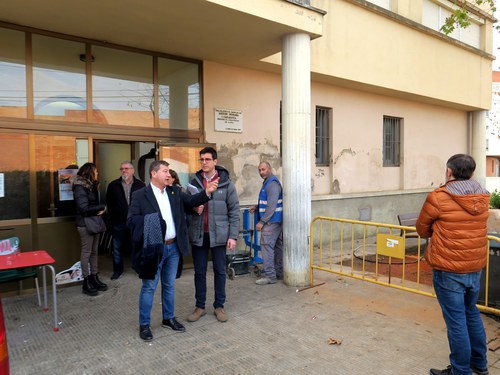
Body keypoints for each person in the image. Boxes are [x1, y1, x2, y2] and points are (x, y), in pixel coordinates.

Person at [127, 160, 219, 341]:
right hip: (154, 248)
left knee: (169, 286)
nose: (169, 175)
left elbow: (192, 201)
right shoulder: (140, 195)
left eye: (169, 171)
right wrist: (152, 222)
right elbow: (131, 221)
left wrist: (207, 192)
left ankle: (168, 318)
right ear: (154, 174)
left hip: (173, 247)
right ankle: (144, 324)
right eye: (165, 171)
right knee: (149, 287)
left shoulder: (175, 191)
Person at [416, 154, 490, 375]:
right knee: (471, 313)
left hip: (448, 270)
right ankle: (480, 364)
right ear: (472, 173)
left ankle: (460, 371)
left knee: (457, 321)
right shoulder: (483, 196)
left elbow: (422, 229)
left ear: (449, 171)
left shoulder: (439, 196)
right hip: (474, 266)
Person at [187, 147, 240, 323]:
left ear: (215, 162)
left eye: (207, 159)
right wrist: (194, 208)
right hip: (199, 234)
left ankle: (219, 306)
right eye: (201, 159)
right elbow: (186, 206)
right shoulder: (194, 183)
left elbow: (234, 211)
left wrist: (232, 236)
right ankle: (199, 306)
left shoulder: (226, 184)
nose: (204, 162)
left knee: (219, 271)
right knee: (199, 272)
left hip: (219, 235)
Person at [72, 162, 108, 296]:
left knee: (94, 252)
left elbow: (92, 203)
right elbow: (83, 208)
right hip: (85, 224)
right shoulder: (79, 187)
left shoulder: (91, 186)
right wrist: (101, 207)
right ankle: (86, 281)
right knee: (86, 252)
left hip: (94, 222)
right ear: (90, 172)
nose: (97, 173)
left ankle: (94, 276)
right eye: (96, 171)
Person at [106, 161, 145, 280]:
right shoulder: (113, 185)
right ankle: (118, 270)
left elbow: (145, 204)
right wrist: (110, 221)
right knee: (117, 248)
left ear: (133, 171)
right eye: (122, 168)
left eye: (127, 168)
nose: (124, 171)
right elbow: (109, 204)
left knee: (137, 245)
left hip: (135, 222)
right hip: (119, 222)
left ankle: (137, 267)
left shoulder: (141, 185)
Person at [249, 161, 283, 285]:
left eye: (263, 169)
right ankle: (278, 272)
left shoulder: (272, 184)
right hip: (275, 220)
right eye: (259, 170)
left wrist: (261, 222)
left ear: (269, 169)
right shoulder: (268, 183)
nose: (261, 172)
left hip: (271, 222)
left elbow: (272, 205)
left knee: (266, 246)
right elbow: (268, 203)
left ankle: (270, 276)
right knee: (277, 246)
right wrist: (257, 207)